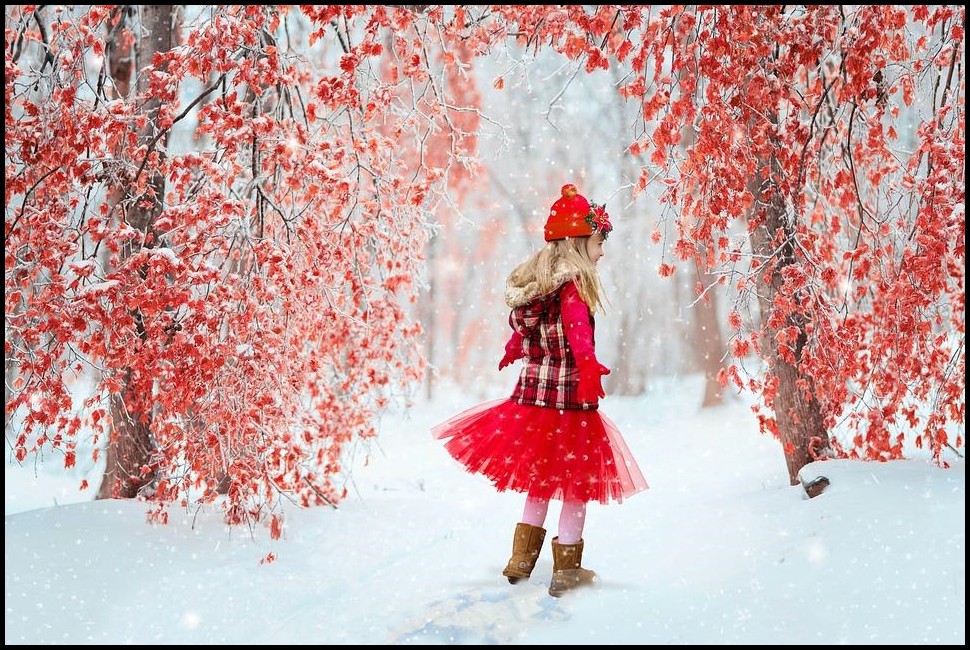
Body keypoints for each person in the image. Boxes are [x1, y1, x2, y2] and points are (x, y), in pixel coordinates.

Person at [432, 183, 648, 597]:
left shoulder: (538, 289)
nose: (602, 252)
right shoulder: (572, 289)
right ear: (578, 243)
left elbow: (526, 327)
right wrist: (588, 366)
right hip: (568, 399)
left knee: (540, 479)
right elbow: (576, 329)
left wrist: (515, 348)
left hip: (534, 399)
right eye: (599, 242)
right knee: (576, 484)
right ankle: (566, 570)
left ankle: (520, 560)